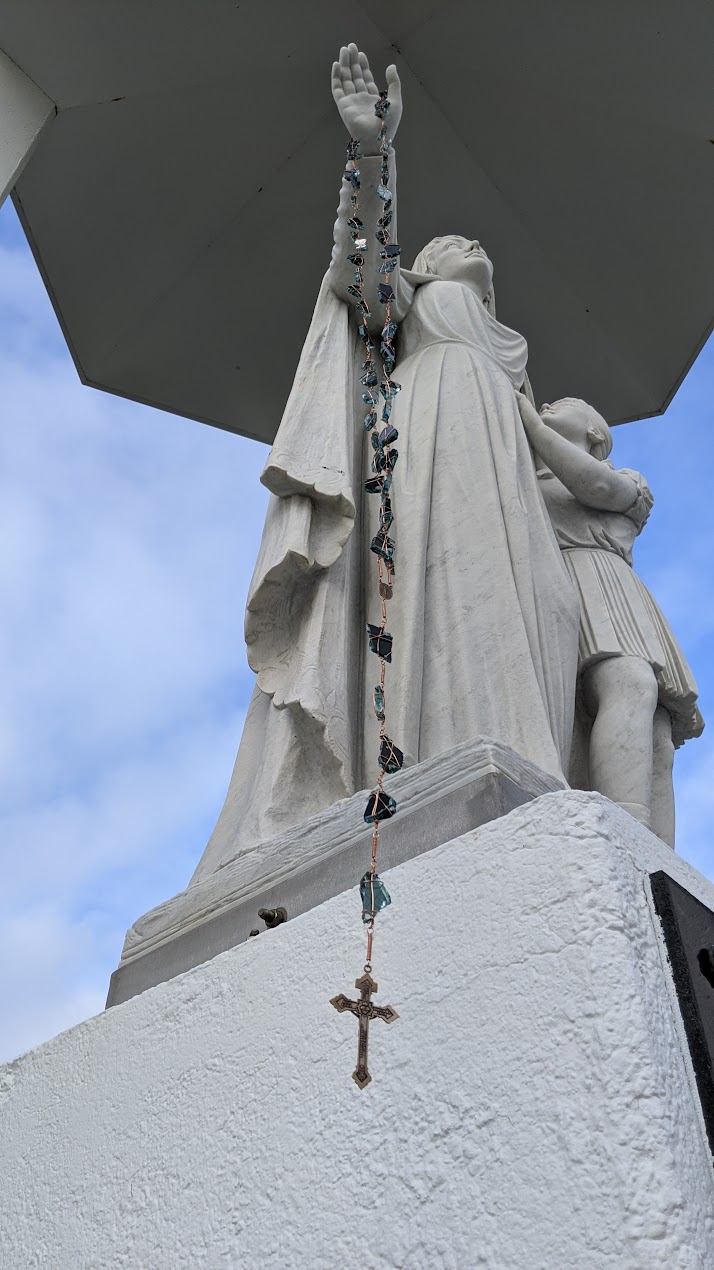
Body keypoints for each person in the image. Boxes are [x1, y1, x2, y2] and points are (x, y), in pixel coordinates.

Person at [189, 46, 580, 883]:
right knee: (445, 593)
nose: (471, 240)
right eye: (449, 242)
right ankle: (435, 755)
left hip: (506, 477)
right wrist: (374, 150)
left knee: (531, 610)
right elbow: (362, 261)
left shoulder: (508, 359)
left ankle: (521, 755)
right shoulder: (413, 310)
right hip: (425, 440)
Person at [516, 392, 703, 846]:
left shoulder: (627, 480)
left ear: (596, 434)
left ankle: (661, 857)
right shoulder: (521, 476)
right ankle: (624, 826)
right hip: (566, 584)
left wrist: (529, 424)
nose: (544, 408)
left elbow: (596, 488)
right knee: (629, 683)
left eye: (559, 405)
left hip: (612, 586)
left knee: (658, 731)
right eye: (542, 409)